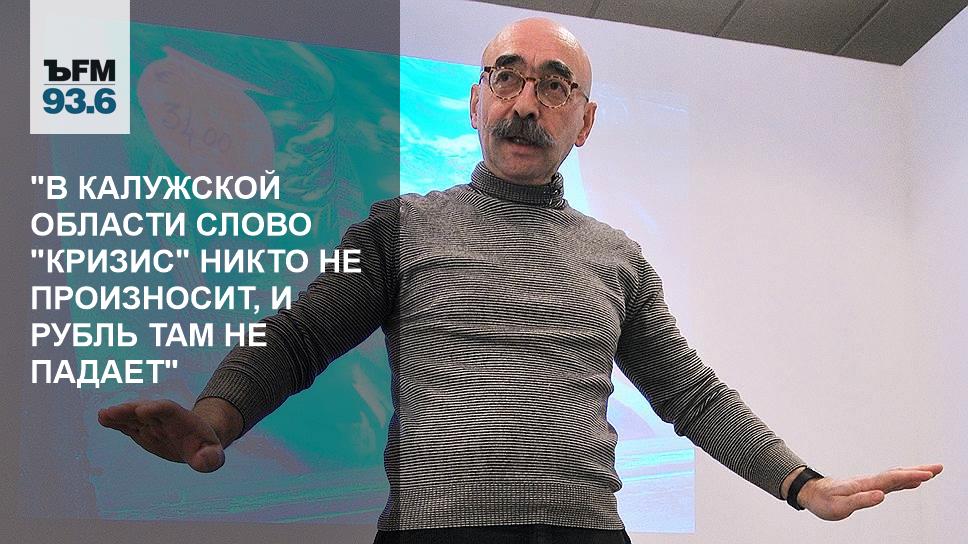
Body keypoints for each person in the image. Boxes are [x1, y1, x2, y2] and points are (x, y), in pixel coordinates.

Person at [99, 17, 942, 544]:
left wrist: (801, 484)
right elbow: (299, 337)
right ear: (476, 103)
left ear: (586, 121)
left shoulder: (617, 258)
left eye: (555, 86)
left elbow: (693, 396)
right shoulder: (397, 229)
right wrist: (215, 417)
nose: (526, 103)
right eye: (506, 77)